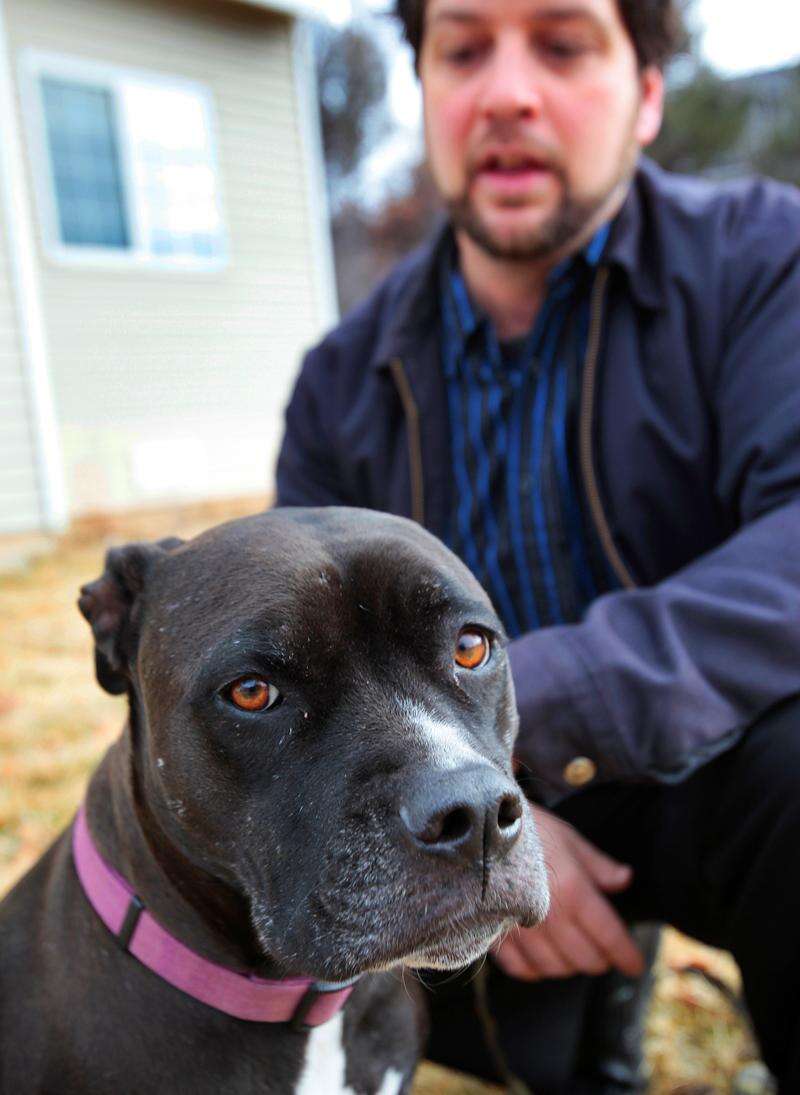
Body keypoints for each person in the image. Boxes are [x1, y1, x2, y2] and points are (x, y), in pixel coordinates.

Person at [275, 0, 800, 1090]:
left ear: (646, 93)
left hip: (723, 762)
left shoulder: (764, 264)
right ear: (422, 87)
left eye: (561, 45)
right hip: (440, 797)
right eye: (462, 49)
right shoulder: (338, 381)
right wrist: (482, 813)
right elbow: (302, 661)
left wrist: (513, 722)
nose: (506, 93)